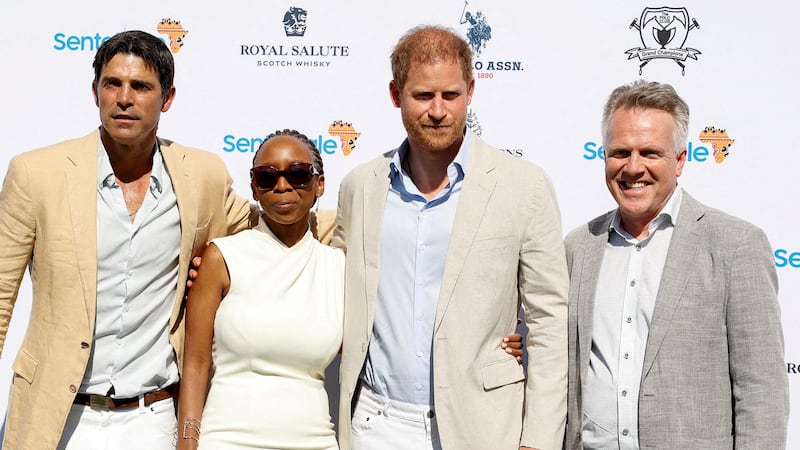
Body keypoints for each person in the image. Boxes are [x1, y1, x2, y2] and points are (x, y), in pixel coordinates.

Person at [0, 30, 255, 449]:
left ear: (167, 98)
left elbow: (266, 224)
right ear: (95, 92)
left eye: (140, 86)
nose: (123, 98)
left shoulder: (202, 175)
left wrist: (356, 215)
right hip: (56, 416)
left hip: (153, 418)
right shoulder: (37, 173)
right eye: (112, 84)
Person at [331, 25, 569, 450]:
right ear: (395, 94)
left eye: (451, 95)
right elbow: (326, 273)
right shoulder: (360, 187)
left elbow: (550, 319)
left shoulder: (524, 186)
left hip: (485, 424)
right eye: (423, 95)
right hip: (377, 424)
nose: (438, 111)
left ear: (471, 91)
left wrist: (539, 439)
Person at [564, 80, 789, 449]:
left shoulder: (736, 245)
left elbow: (761, 389)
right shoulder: (578, 247)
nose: (633, 167)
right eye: (620, 152)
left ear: (680, 160)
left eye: (650, 153)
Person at [178, 130, 343, 449]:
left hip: (315, 441)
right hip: (228, 440)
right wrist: (186, 442)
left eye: (297, 174)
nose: (282, 186)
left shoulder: (339, 267)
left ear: (319, 184)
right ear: (254, 188)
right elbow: (195, 365)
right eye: (267, 177)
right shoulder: (222, 257)